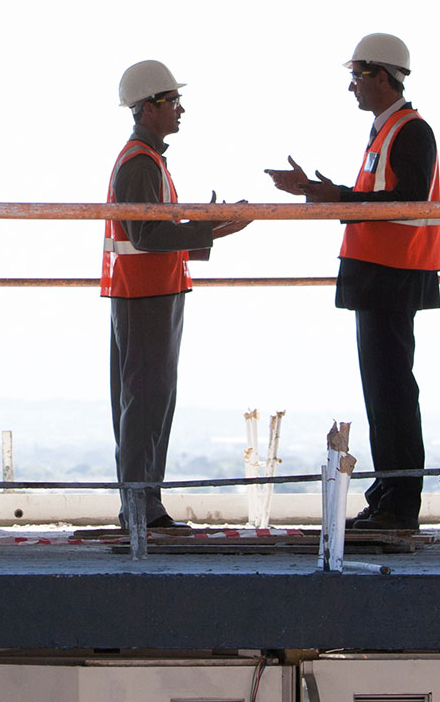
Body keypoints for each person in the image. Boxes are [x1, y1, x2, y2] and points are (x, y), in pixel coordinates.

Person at [264, 33, 439, 533]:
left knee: (393, 393)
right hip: (379, 273)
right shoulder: (388, 132)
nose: (352, 88)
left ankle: (400, 505)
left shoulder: (412, 131)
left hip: (392, 274)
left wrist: (333, 196)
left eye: (356, 77)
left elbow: (406, 201)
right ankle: (388, 494)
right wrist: (323, 193)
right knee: (382, 393)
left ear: (382, 76)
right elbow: (381, 199)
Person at [104, 59, 252, 531]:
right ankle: (140, 510)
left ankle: (144, 507)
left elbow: (150, 233)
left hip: (152, 292)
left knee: (149, 402)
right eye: (173, 102)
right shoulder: (139, 163)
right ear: (149, 108)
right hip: (145, 295)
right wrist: (207, 227)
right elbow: (145, 236)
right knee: (146, 401)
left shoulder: (148, 161)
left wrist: (207, 229)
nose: (180, 109)